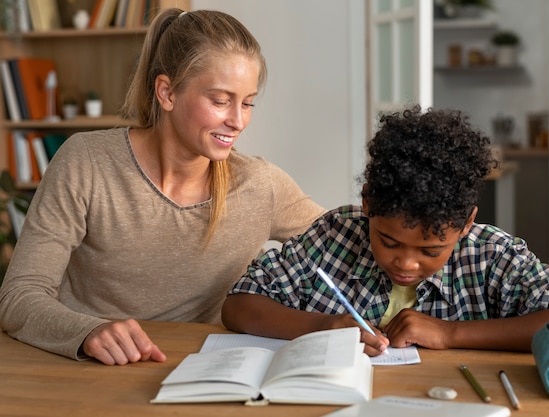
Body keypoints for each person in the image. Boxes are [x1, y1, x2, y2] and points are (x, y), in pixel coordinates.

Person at [0, 9, 324, 366]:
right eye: (219, 101)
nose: (237, 120)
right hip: (91, 375)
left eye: (247, 103)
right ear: (167, 93)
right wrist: (88, 331)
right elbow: (19, 296)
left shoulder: (260, 185)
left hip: (200, 376)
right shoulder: (86, 162)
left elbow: (359, 240)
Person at [222, 105, 549, 356]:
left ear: (466, 224)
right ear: (368, 206)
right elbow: (239, 305)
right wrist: (322, 326)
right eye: (388, 241)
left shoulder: (491, 256)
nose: (406, 262)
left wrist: (451, 334)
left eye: (431, 250)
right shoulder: (335, 235)